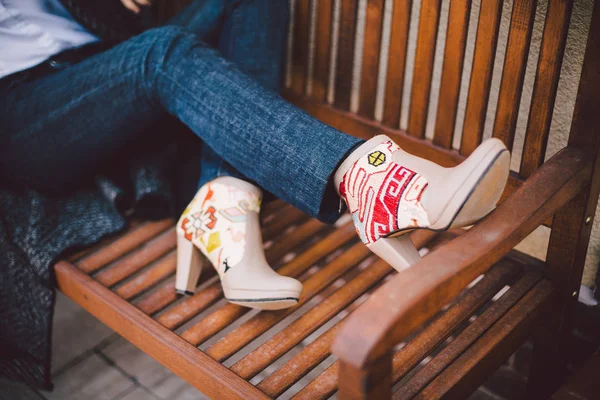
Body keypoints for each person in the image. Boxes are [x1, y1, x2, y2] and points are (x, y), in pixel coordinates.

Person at [0, 0, 510, 313]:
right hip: (22, 111)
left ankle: (221, 206)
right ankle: (372, 185)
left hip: (102, 70)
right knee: (162, 54)